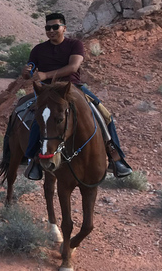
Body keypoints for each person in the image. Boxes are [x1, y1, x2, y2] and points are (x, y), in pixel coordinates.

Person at [21, 12, 132, 180]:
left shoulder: (75, 45)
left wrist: (45, 75)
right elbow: (30, 69)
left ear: (64, 28)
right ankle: (33, 160)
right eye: (48, 28)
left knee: (104, 115)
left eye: (55, 27)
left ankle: (115, 158)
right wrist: (26, 72)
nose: (51, 30)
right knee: (41, 119)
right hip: (48, 92)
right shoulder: (38, 49)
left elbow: (73, 67)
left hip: (72, 88)